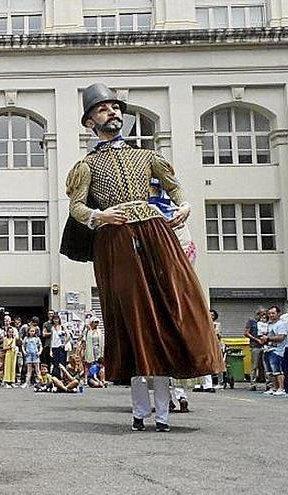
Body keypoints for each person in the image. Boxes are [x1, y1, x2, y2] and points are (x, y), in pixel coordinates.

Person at [64, 83, 223, 432]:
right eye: (104, 109)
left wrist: (185, 205)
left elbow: (175, 185)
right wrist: (99, 216)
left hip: (154, 234)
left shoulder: (146, 156)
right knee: (131, 319)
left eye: (116, 108)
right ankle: (139, 411)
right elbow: (76, 206)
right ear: (90, 121)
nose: (113, 113)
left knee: (167, 311)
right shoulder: (86, 166)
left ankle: (164, 412)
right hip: (115, 238)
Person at [263, 306, 287, 396]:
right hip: (268, 349)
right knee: (270, 371)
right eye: (269, 313)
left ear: (278, 313)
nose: (271, 315)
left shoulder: (281, 324)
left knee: (277, 370)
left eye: (273, 313)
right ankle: (273, 388)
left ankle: (281, 388)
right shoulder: (269, 324)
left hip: (277, 350)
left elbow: (281, 337)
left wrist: (268, 338)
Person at [246, 309, 267, 391]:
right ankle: (253, 384)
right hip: (255, 346)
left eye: (264, 314)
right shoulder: (252, 322)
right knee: (254, 366)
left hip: (265, 346)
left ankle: (268, 384)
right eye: (261, 314)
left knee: (266, 366)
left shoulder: (267, 322)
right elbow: (246, 333)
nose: (263, 315)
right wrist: (256, 339)